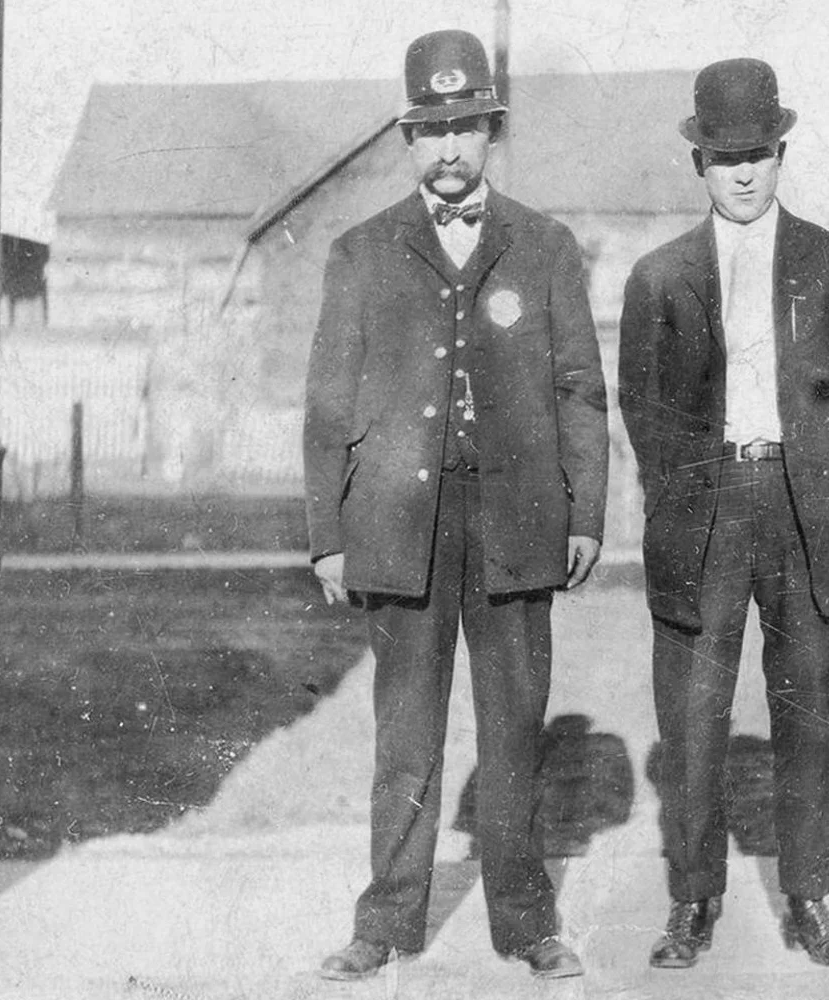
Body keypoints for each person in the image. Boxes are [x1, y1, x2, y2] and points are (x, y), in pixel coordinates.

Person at [301, 28, 609, 983]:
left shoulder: (545, 247)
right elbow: (328, 405)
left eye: (465, 128)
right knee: (406, 737)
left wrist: (587, 514)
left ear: (491, 132)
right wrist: (326, 536)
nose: (447, 148)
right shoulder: (360, 253)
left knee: (514, 731)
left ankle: (528, 923)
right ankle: (386, 922)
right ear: (407, 138)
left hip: (518, 526)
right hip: (401, 530)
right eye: (430, 131)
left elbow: (580, 392)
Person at [617, 56, 829, 970]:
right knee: (694, 716)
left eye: (758, 154)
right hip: (703, 508)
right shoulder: (659, 277)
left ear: (781, 154)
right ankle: (693, 902)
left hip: (806, 508)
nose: (743, 173)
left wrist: (828, 476)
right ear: (698, 161)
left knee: (807, 708)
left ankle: (809, 898)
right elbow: (643, 406)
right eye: (725, 157)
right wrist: (682, 491)